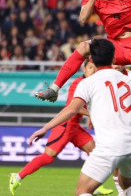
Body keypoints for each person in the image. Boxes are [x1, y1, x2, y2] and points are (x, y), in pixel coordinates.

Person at [28, 38, 131, 196]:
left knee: (82, 191)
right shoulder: (130, 81)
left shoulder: (88, 83)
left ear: (90, 59)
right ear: (114, 58)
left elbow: (72, 110)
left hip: (110, 146)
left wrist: (45, 128)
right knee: (129, 186)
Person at [9, 61, 113, 196]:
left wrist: (90, 118)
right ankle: (17, 177)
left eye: (95, 68)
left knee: (94, 153)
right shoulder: (78, 83)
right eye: (90, 68)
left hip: (75, 127)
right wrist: (92, 114)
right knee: (49, 156)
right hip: (66, 124)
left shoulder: (92, 84)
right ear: (84, 69)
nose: (93, 71)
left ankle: (93, 186)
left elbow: (89, 104)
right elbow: (74, 107)